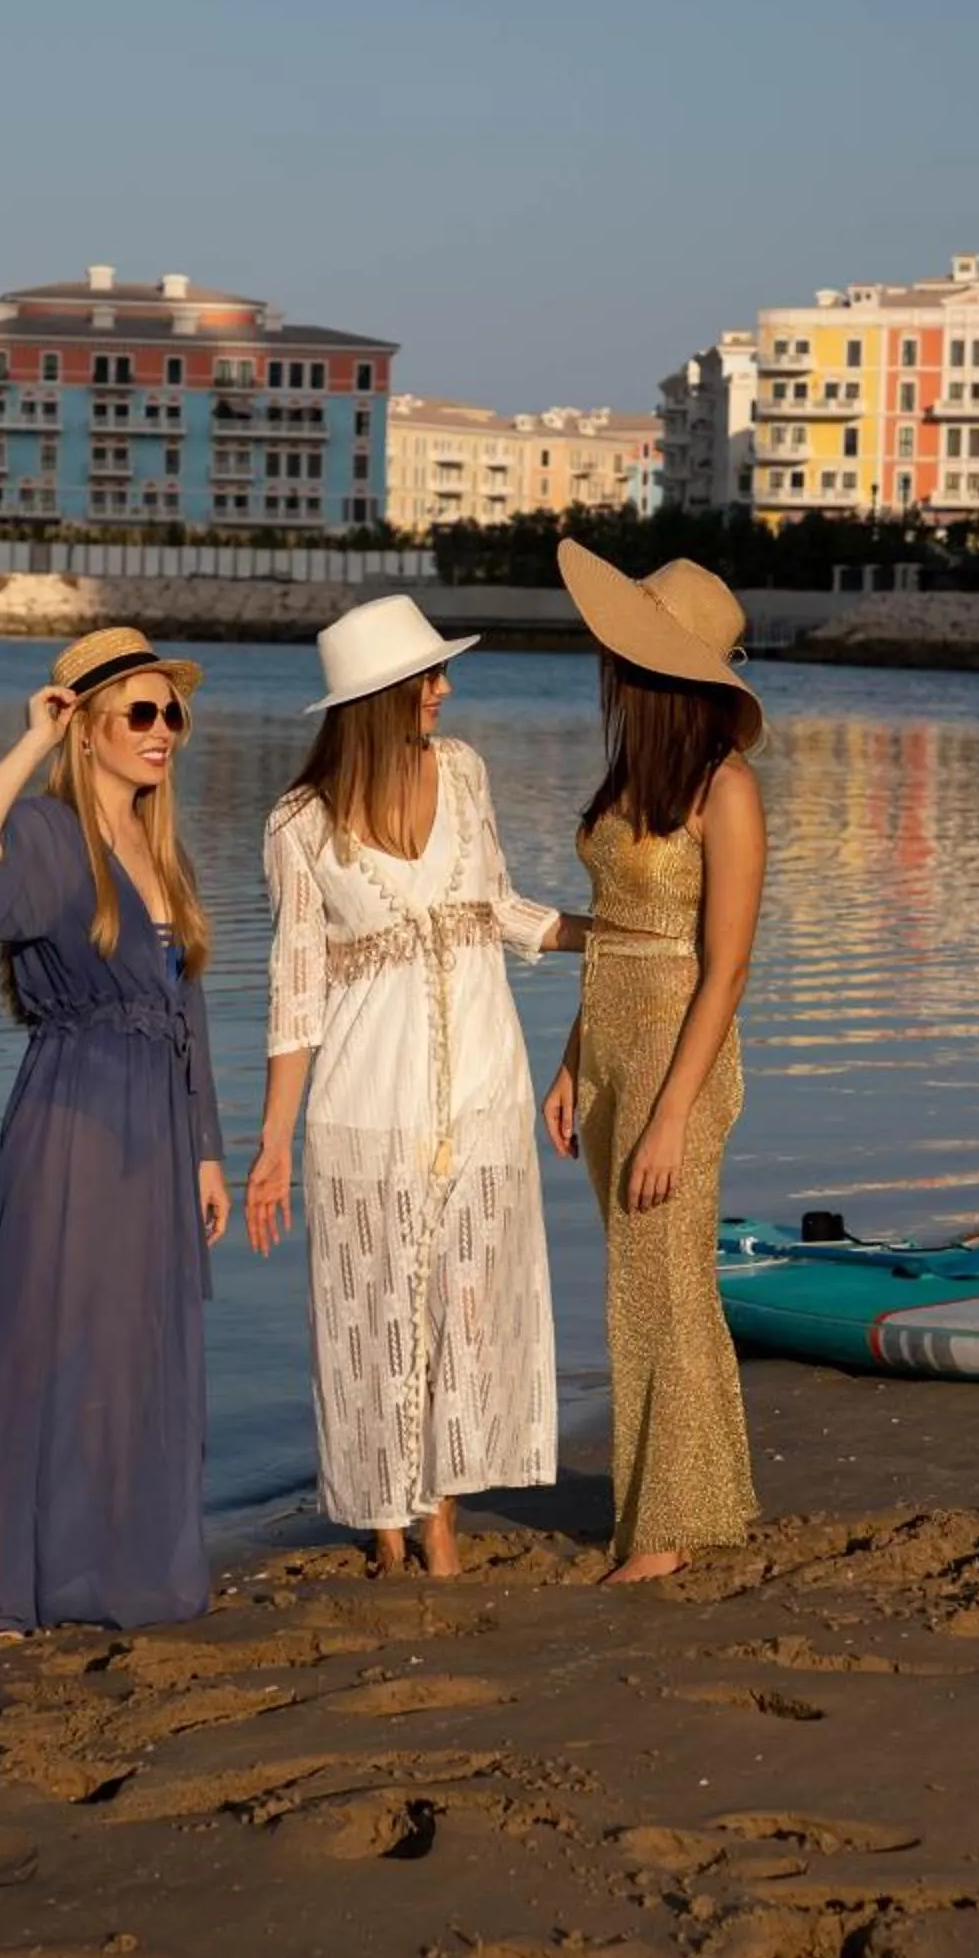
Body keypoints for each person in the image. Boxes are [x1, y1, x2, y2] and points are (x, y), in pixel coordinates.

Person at [245, 592, 584, 1578]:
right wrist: (272, 1140)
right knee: (374, 1319)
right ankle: (385, 1527)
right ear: (377, 698)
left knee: (464, 1308)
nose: (443, 689)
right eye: (425, 677)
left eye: (439, 674)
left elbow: (497, 906)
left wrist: (595, 936)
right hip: (364, 1108)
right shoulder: (298, 827)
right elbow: (294, 994)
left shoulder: (465, 773)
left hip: (481, 1090)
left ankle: (437, 1513)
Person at [0, 625, 230, 1636]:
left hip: (155, 1125)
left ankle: (113, 1576)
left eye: (171, 714)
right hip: (71, 1115)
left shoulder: (161, 849)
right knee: (43, 1345)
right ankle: (7, 1589)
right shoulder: (52, 835)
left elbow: (188, 1019)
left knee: (130, 1347)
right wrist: (29, 739)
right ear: (87, 728)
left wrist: (205, 1152)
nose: (162, 732)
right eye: (139, 714)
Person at [541, 547, 766, 1585]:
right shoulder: (632, 772)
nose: (608, 669)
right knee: (644, 1283)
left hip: (681, 1052)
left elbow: (722, 970)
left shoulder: (726, 792)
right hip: (610, 1046)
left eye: (624, 654)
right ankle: (693, 1502)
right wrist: (567, 1062)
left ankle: (666, 1530)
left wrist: (673, 1114)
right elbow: (616, 932)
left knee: (661, 1285)